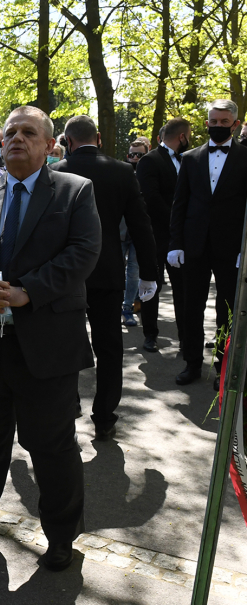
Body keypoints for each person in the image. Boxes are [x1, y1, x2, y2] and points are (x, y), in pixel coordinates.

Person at [0, 105, 101, 571]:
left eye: (28, 133)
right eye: (10, 132)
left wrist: (28, 292)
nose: (16, 139)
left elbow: (84, 252)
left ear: (51, 145)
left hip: (44, 346)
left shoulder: (74, 191)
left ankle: (61, 535)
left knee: (50, 446)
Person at [53, 116, 157, 440]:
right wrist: (149, 276)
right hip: (107, 272)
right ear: (98, 137)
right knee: (109, 347)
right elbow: (141, 226)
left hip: (63, 275)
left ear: (67, 141)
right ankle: (105, 417)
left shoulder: (53, 173)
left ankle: (67, 406)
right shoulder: (123, 171)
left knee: (62, 345)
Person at [168, 99, 247, 389]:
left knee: (226, 310)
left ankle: (222, 368)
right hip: (194, 246)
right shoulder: (190, 158)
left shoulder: (245, 158)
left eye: (224, 122)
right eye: (213, 122)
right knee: (191, 307)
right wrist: (175, 243)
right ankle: (191, 364)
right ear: (207, 124)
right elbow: (180, 204)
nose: (217, 126)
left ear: (235, 124)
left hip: (230, 249)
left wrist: (245, 249)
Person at [138, 118, 191, 353]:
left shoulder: (189, 160)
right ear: (182, 136)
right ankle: (150, 334)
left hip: (181, 238)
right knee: (152, 287)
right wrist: (176, 221)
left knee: (183, 289)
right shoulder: (150, 160)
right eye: (189, 135)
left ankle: (185, 336)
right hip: (156, 236)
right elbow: (151, 198)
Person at [119, 137, 152, 326]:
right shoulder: (122, 173)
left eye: (139, 154)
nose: (135, 158)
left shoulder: (149, 174)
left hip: (139, 231)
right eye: (132, 154)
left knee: (133, 271)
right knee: (117, 269)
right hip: (121, 229)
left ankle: (127, 307)